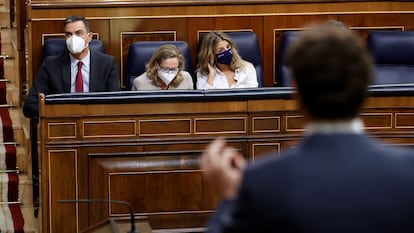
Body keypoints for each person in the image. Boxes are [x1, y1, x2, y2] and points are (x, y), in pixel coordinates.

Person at [200, 23, 414, 233]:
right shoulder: (408, 171)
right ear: (365, 87)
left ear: (297, 93)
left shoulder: (261, 181)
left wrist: (229, 199)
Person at [23, 15, 120, 122]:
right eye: (69, 34)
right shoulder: (51, 65)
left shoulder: (107, 63)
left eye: (78, 33)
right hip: (62, 124)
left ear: (89, 36)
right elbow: (30, 105)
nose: (73, 38)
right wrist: (57, 114)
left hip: (95, 124)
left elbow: (115, 102)